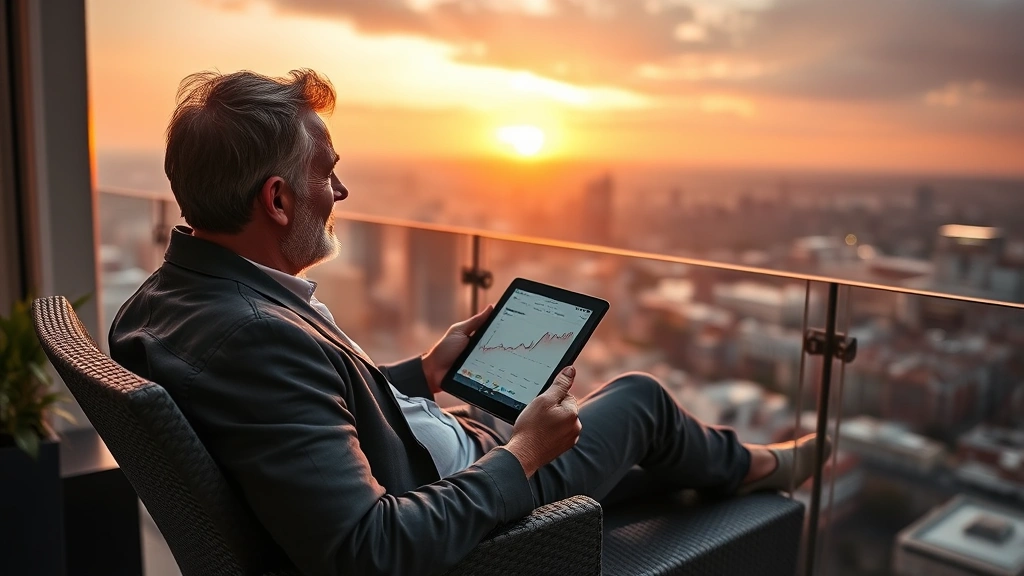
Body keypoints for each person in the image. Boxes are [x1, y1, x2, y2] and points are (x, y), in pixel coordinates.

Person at [109, 69, 828, 576]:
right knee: (638, 401)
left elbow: (299, 417)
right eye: (326, 174)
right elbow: (371, 549)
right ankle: (763, 468)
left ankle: (730, 467)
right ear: (275, 200)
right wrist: (520, 456)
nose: (341, 191)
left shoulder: (163, 301)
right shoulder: (256, 337)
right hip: (451, 505)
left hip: (425, 456)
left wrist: (420, 374)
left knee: (618, 442)